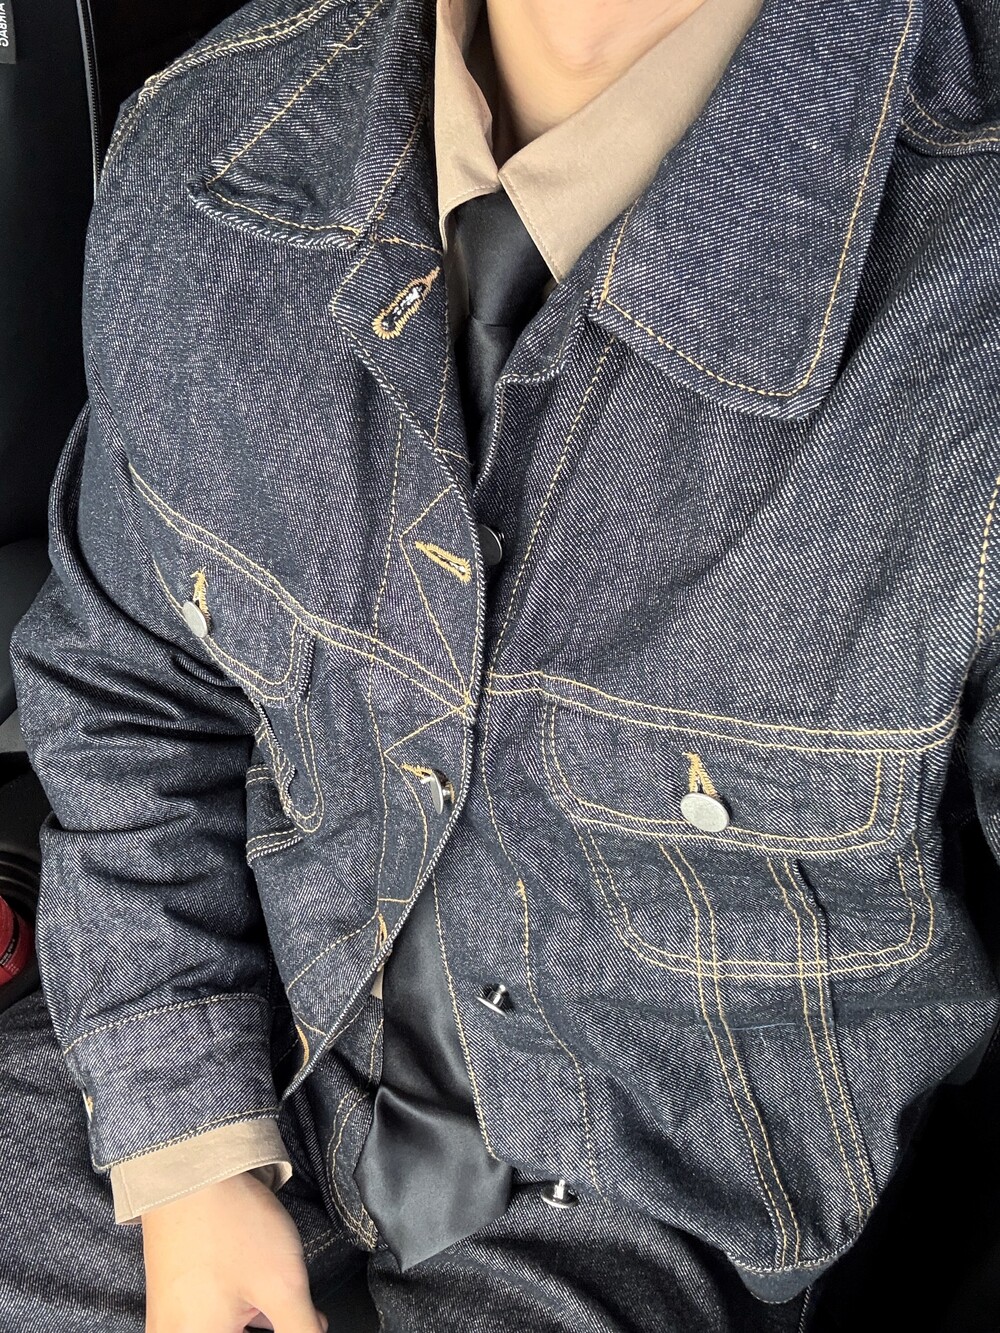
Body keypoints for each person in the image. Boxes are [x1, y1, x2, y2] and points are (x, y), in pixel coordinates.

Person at [2, 0, 999, 1328]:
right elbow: (132, 685)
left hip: (679, 1210)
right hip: (249, 1033)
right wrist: (187, 1143)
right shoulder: (203, 151)